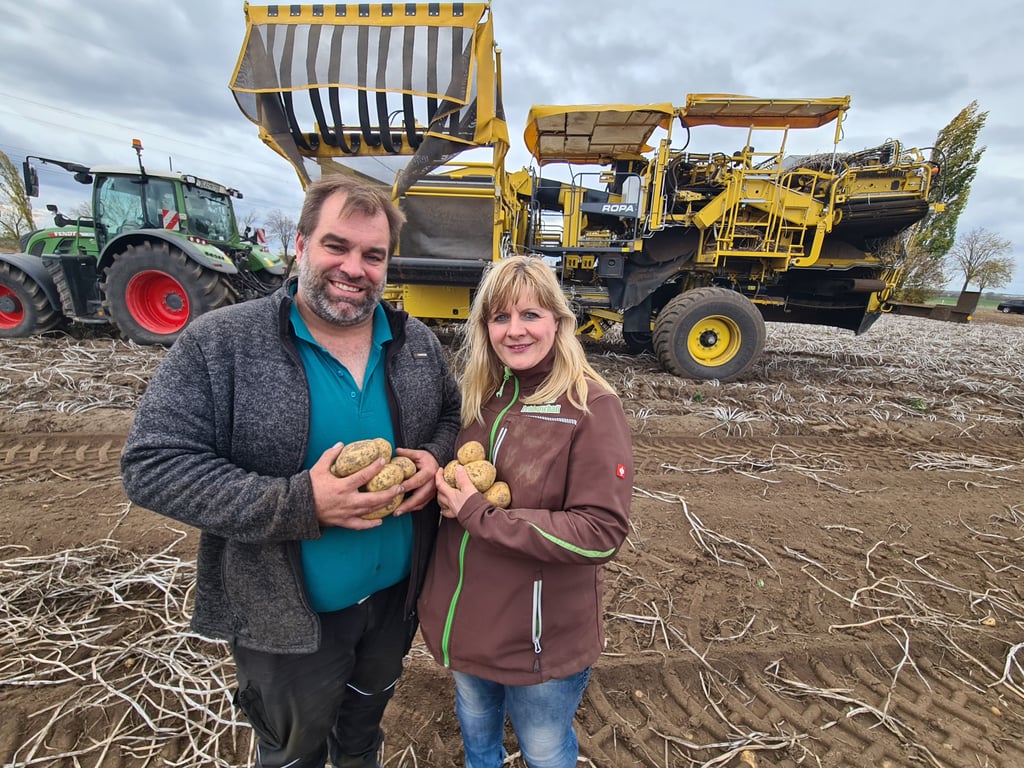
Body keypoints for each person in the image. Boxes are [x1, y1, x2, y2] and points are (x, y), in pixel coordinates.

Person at [120, 175, 461, 768]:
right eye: (337, 246)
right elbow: (153, 464)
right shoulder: (222, 343)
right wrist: (301, 502)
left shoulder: (418, 344)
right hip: (286, 620)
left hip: (392, 606)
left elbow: (450, 414)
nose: (354, 268)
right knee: (293, 751)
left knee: (360, 734)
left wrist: (433, 455)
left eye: (372, 255)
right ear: (301, 244)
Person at [416, 255, 633, 768]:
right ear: (484, 326)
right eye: (500, 317)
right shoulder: (478, 397)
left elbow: (600, 532)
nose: (514, 331)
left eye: (530, 315)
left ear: (557, 321)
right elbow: (454, 488)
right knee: (476, 734)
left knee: (542, 747)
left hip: (538, 638)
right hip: (466, 624)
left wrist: (479, 514)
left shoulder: (590, 406)